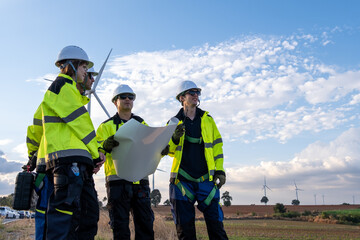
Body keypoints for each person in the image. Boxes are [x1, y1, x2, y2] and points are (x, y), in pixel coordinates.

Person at [28, 45, 105, 239]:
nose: (86, 72)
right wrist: (96, 153)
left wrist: (33, 154)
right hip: (68, 163)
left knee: (86, 217)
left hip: (76, 162)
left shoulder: (58, 94)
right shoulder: (63, 87)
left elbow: (35, 128)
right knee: (64, 220)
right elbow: (81, 124)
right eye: (84, 68)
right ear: (71, 65)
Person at [165, 80, 228, 240]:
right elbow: (166, 150)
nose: (195, 95)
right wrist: (174, 138)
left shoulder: (208, 119)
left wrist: (220, 170)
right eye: (191, 93)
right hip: (181, 182)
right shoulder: (173, 122)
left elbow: (217, 147)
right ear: (181, 98)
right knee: (185, 233)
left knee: (217, 230)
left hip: (206, 180)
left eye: (197, 92)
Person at [96, 84, 155, 240]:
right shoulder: (105, 126)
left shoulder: (142, 124)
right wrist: (104, 147)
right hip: (117, 183)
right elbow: (97, 151)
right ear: (115, 101)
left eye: (131, 97)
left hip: (140, 182)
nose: (128, 99)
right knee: (120, 228)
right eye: (123, 97)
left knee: (146, 226)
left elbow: (151, 146)